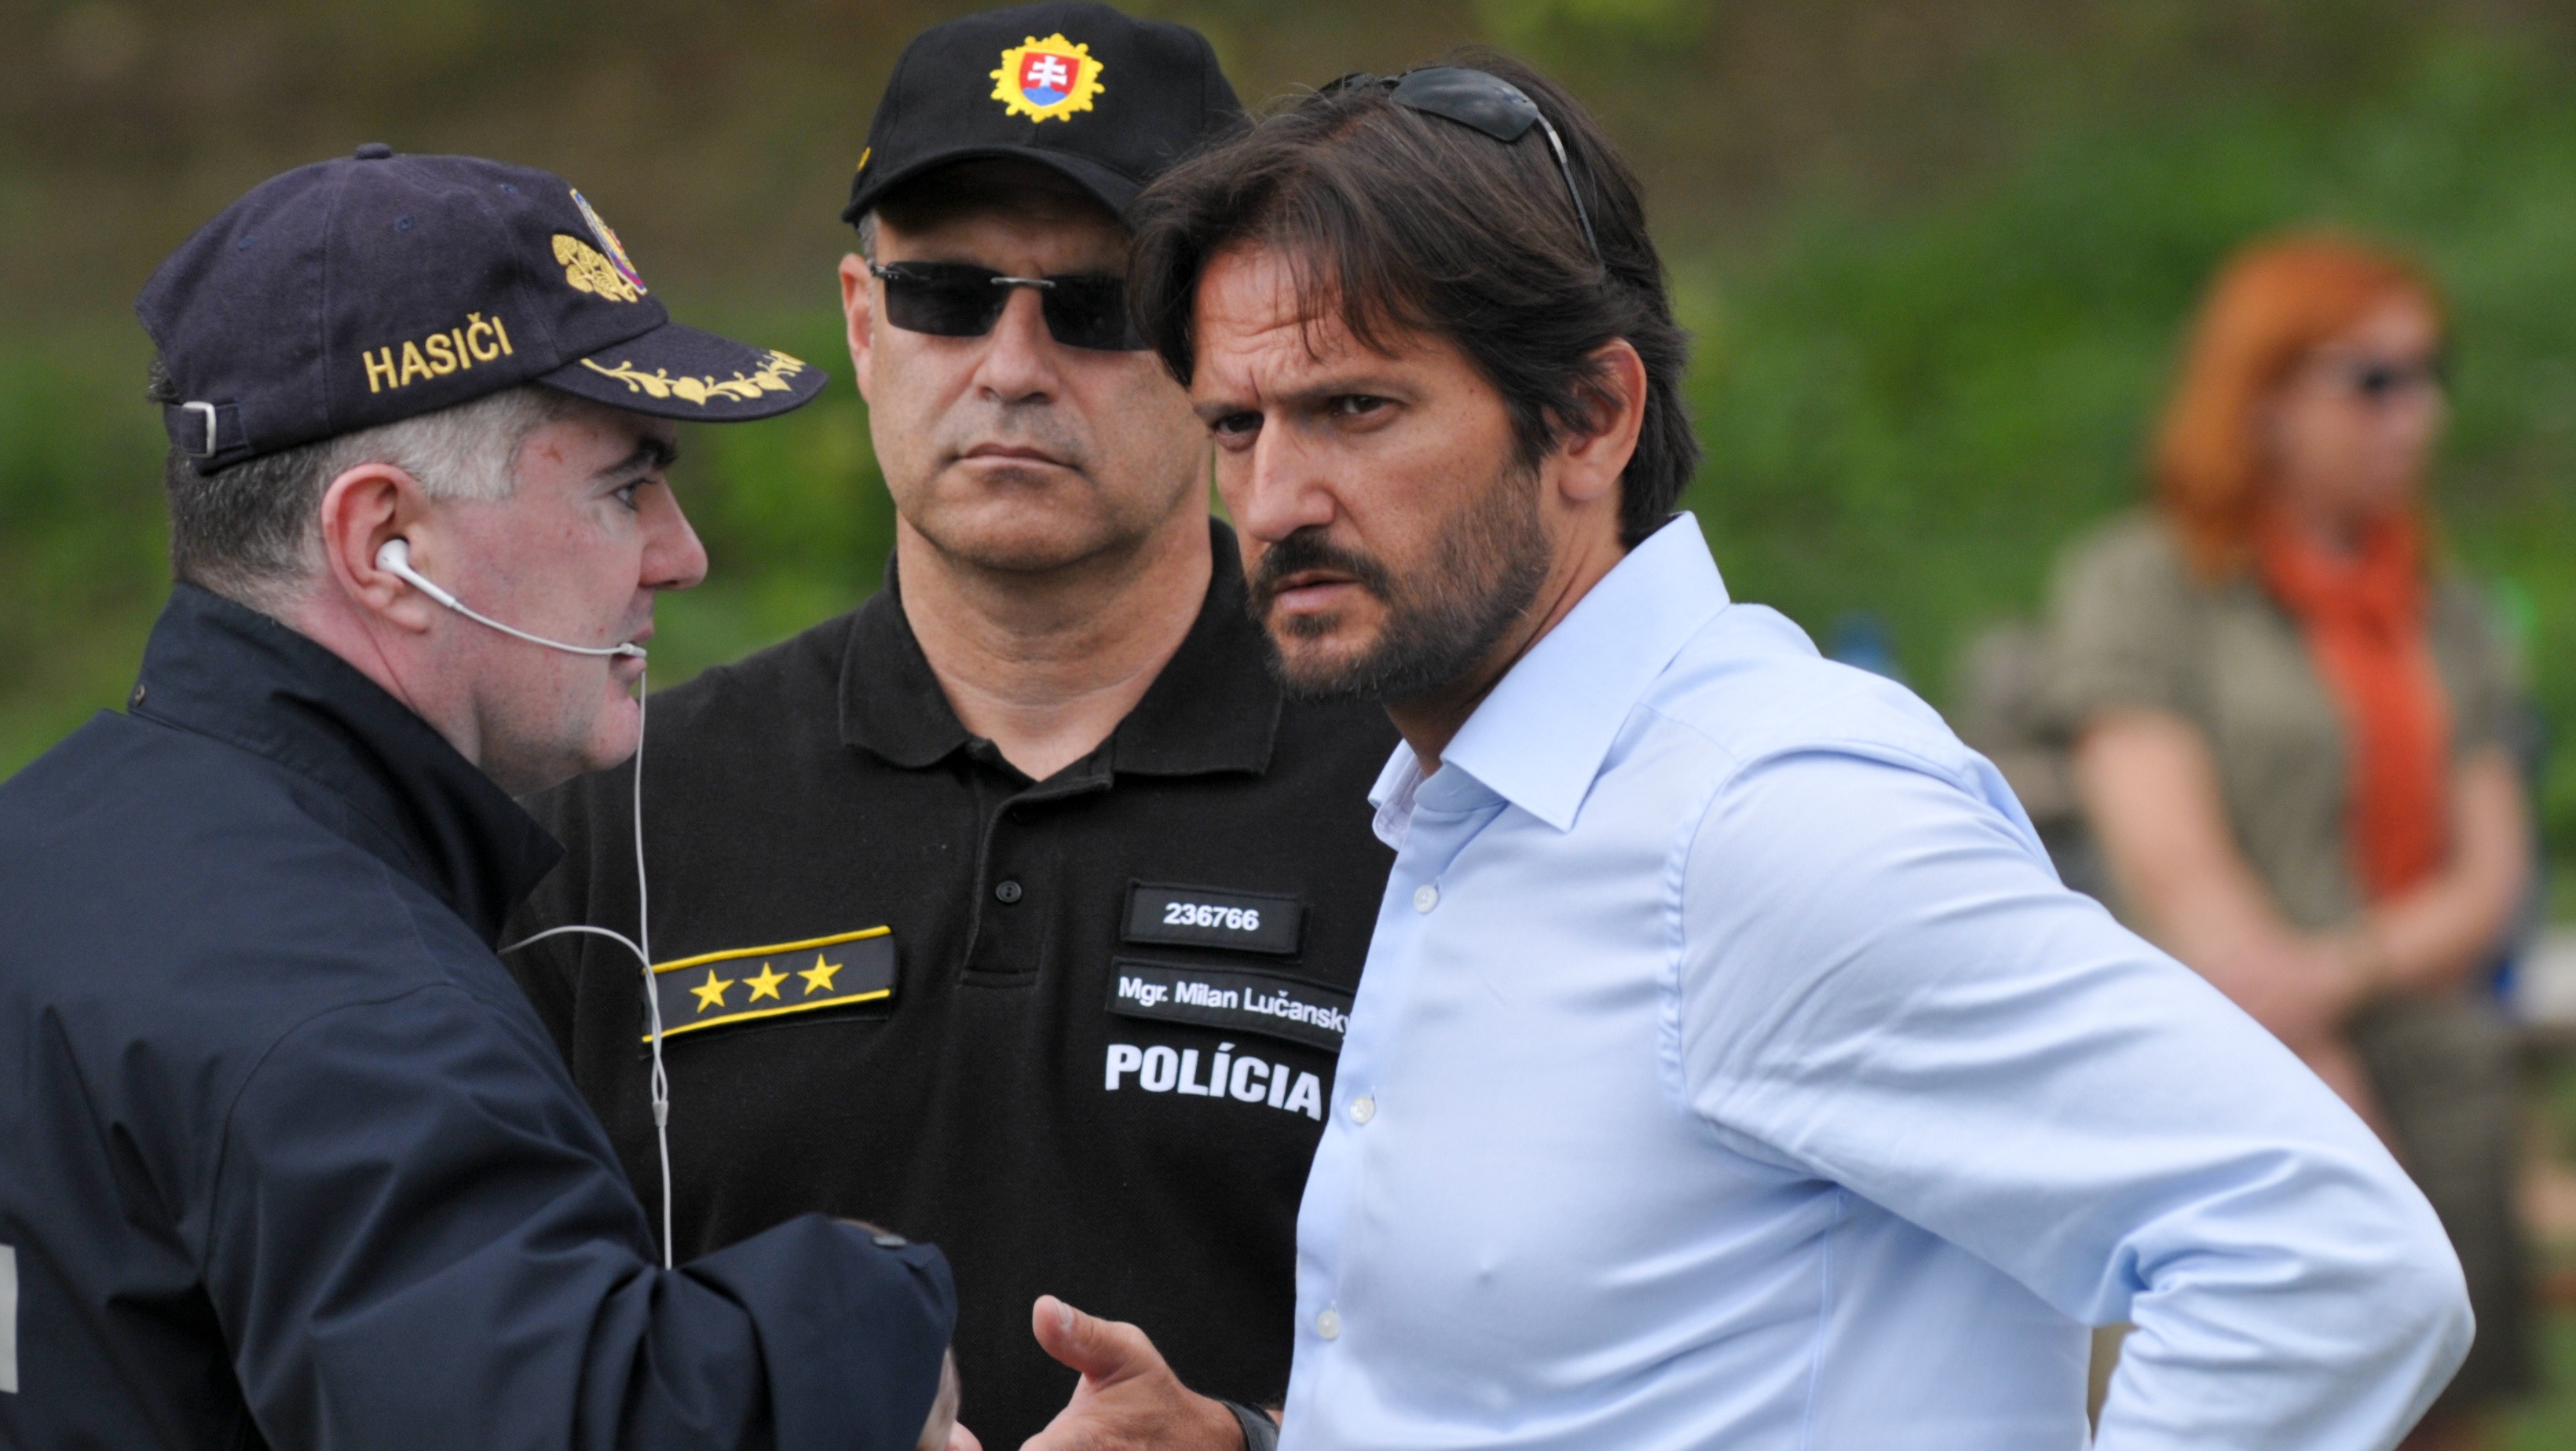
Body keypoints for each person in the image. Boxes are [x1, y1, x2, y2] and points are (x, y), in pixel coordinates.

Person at [1103, 53, 2476, 1449]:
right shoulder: (1477, 809)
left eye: (1353, 409)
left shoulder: (1766, 821)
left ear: (1591, 417)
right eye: (1236, 426)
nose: (1273, 501)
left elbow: (2328, 1262)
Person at [503, 6, 1397, 1447]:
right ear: (864, 325)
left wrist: (1256, 1441)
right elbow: (492, 1359)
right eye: (945, 297)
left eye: (1098, 305)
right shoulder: (620, 815)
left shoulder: (1422, 800)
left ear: (1227, 357)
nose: (1012, 365)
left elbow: (1588, 1363)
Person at [0, 147, 967, 1449]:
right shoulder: (351, 1012)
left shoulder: (47, 858)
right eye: (626, 486)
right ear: (382, 544)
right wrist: (866, 1318)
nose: (681, 555)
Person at [2045, 236, 2535, 1450]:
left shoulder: (2445, 608)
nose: (2418, 414)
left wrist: (2341, 973)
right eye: (2375, 380)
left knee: (2444, 1412)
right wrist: (2315, 1074)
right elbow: (2171, 862)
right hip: (2236, 1081)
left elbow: (2488, 871)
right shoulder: (2145, 583)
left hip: (2432, 1073)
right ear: (2262, 399)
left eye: (2429, 374)